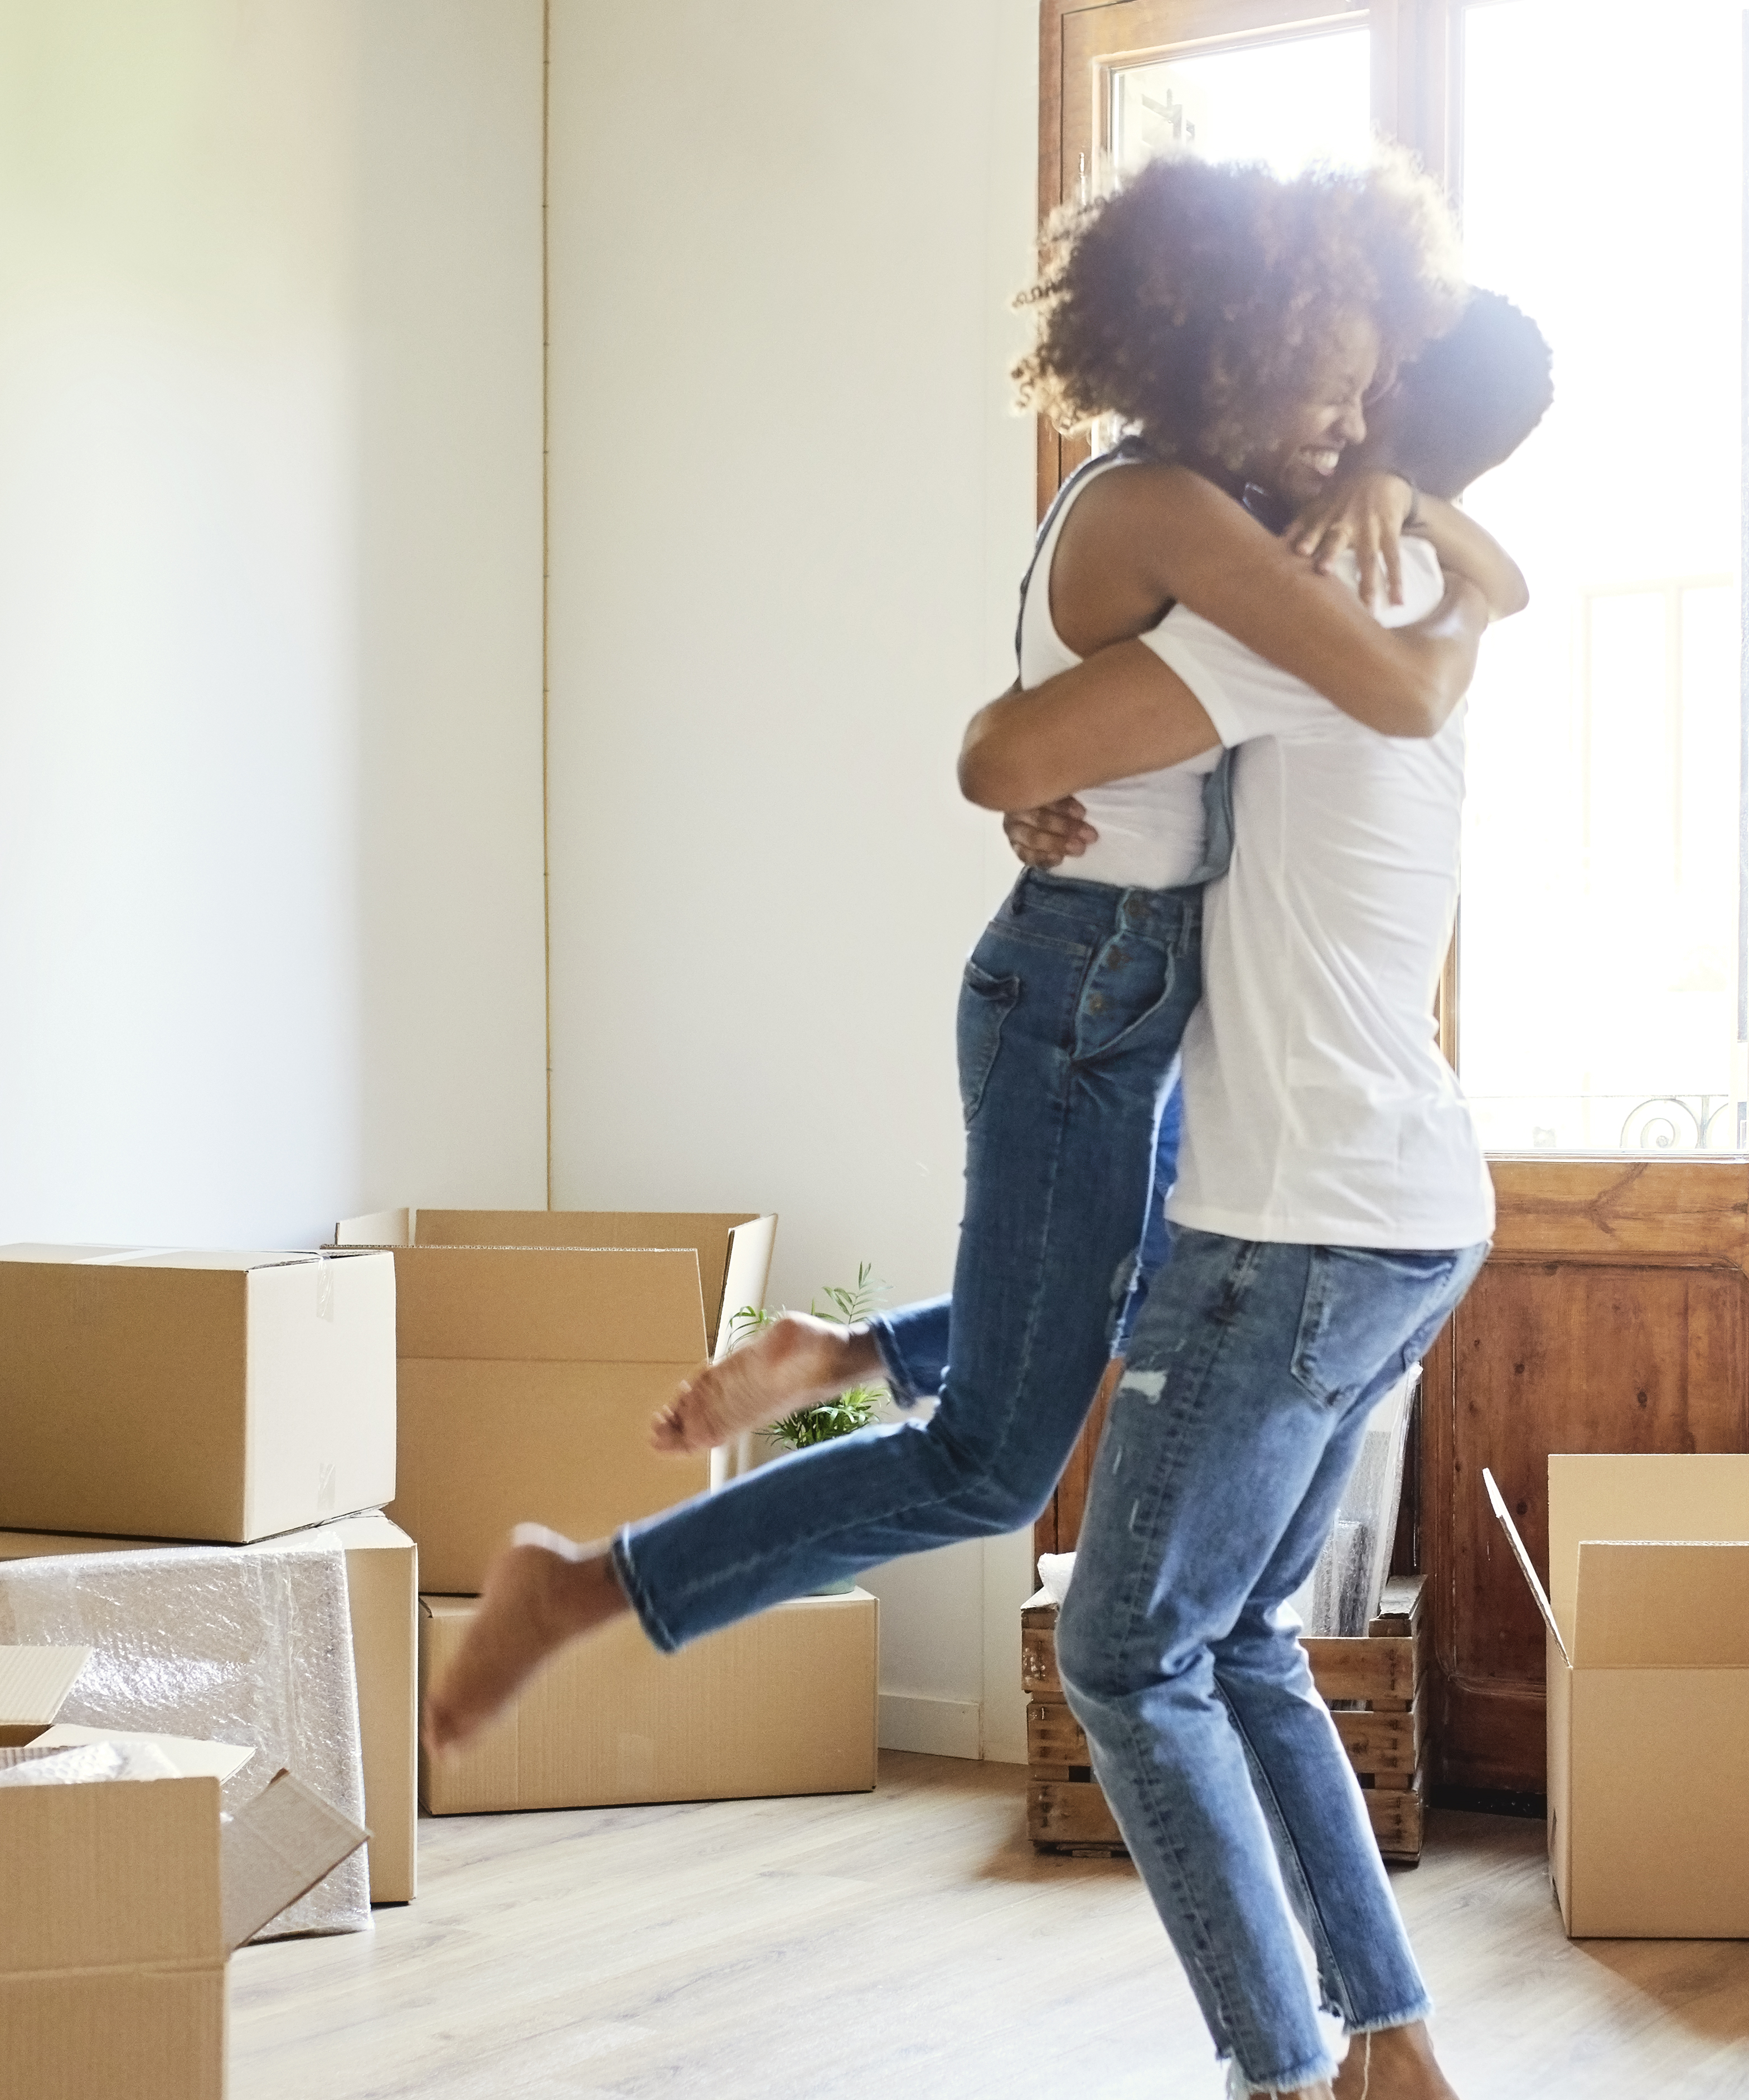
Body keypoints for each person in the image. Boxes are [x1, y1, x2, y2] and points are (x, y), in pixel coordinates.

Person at [427, 155, 1504, 1751]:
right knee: (994, 1461)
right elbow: (1341, 700)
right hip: (1078, 987)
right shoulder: (1169, 511)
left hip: (1118, 974)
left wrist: (1404, 495)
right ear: (1239, 353)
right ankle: (582, 1589)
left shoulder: (1185, 502)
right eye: (1333, 393)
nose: (1349, 427)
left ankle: (842, 1351)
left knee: (1155, 1298)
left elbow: (1047, 733)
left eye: (1371, 400)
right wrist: (1458, 575)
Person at [953, 292, 1558, 2100]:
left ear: (1362, 403)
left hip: (1294, 1214)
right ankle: (1390, 2050)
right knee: (1240, 1643)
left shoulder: (1291, 621)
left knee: (1127, 1650)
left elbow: (1009, 751)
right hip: (1405, 1201)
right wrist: (1479, 573)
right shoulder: (1388, 599)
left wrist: (1018, 760)